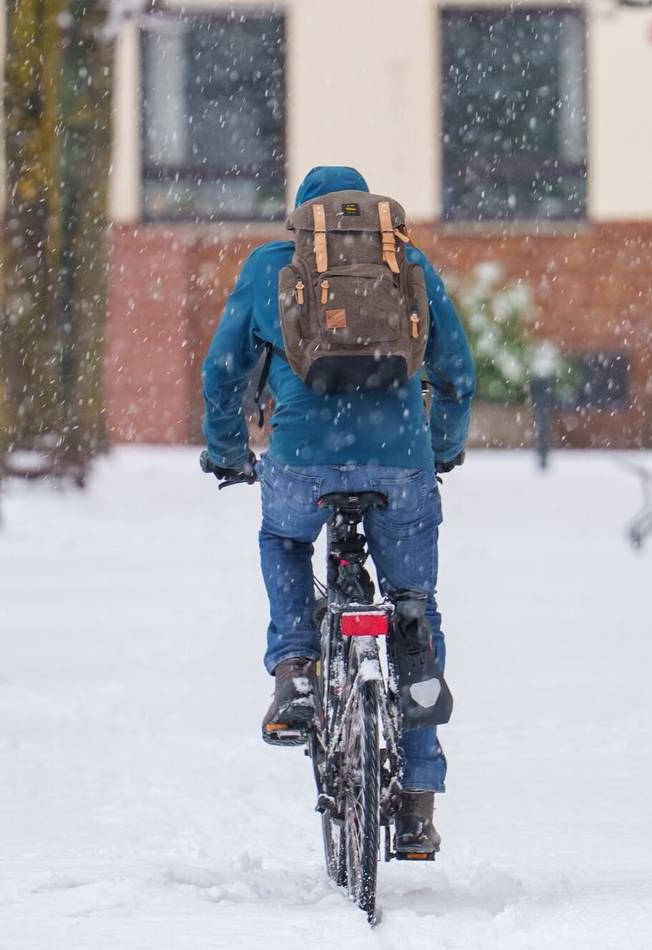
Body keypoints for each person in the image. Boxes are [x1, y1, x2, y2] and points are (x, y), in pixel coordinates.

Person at [200, 166, 475, 854]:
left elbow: (222, 372)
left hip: (302, 460)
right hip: (399, 459)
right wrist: (440, 449)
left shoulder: (272, 265)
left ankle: (296, 670)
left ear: (304, 220)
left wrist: (227, 451)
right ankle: (416, 807)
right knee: (415, 605)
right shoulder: (406, 262)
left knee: (284, 540)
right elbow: (457, 373)